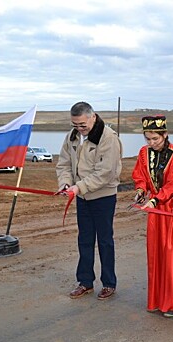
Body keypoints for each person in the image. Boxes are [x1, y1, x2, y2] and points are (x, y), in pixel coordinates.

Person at [56, 101, 122, 300]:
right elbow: (64, 164)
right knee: (84, 240)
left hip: (103, 197)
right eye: (75, 124)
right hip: (81, 196)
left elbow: (106, 173)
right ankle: (85, 282)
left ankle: (109, 283)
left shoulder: (108, 138)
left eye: (82, 125)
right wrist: (66, 183)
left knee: (104, 241)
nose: (79, 129)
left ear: (93, 117)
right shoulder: (72, 136)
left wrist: (79, 187)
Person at [132, 115, 173, 317]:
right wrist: (141, 190)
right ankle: (157, 300)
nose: (151, 143)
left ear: (165, 135)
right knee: (155, 253)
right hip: (154, 212)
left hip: (172, 210)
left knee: (172, 256)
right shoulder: (144, 153)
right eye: (148, 139)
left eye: (155, 139)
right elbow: (140, 175)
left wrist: (155, 200)